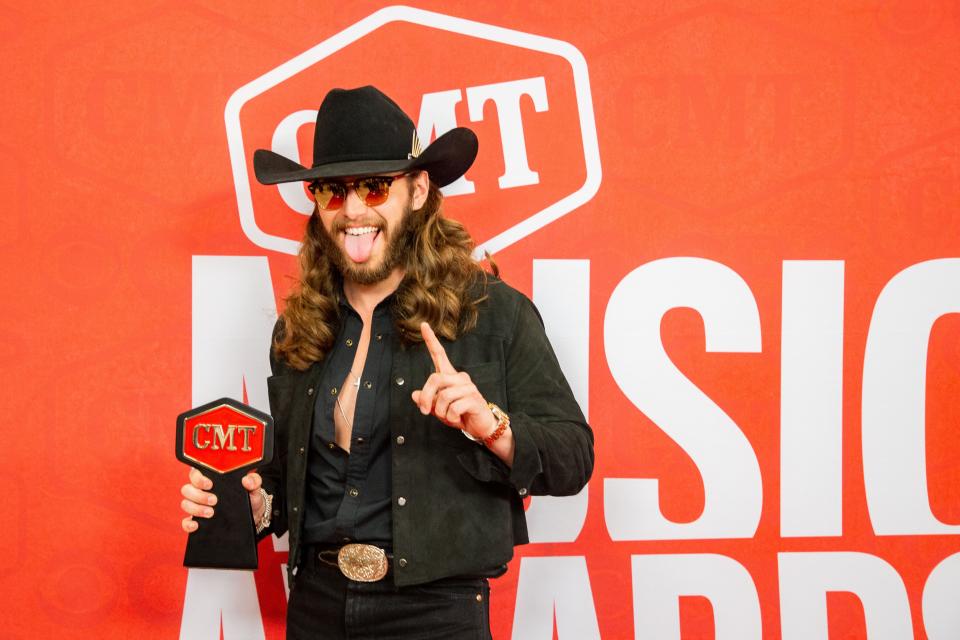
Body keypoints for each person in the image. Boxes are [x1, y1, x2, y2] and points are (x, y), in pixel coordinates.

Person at [180, 85, 593, 639]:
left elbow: (573, 457)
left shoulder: (493, 314)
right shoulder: (298, 330)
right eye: (332, 191)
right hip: (316, 605)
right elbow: (288, 480)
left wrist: (493, 427)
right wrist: (249, 507)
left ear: (419, 190)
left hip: (436, 614)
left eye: (374, 187)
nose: (353, 211)